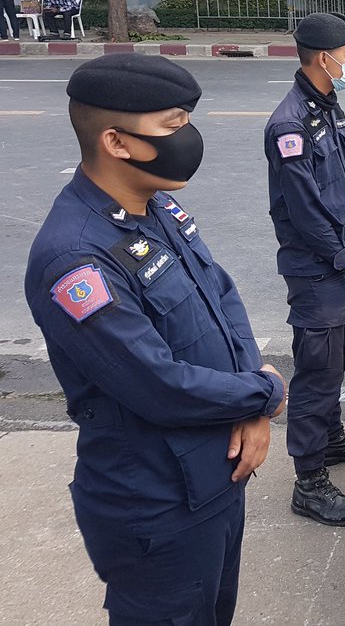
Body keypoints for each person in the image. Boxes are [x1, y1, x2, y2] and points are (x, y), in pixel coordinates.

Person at [25, 54, 287, 625]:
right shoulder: (75, 258)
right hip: (157, 503)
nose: (188, 137)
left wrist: (251, 398)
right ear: (117, 142)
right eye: (173, 125)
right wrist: (263, 395)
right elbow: (157, 384)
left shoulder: (157, 204)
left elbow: (221, 294)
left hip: (217, 474)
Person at [264, 12, 345, 528]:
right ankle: (309, 481)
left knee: (338, 356)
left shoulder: (327, 107)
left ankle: (330, 438)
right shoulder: (288, 124)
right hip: (317, 269)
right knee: (317, 369)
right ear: (323, 58)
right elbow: (304, 210)